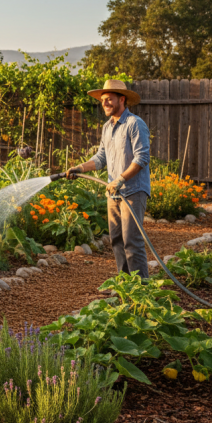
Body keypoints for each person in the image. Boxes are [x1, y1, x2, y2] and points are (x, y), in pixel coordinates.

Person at [66, 79, 151, 278]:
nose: (104, 103)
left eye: (109, 99)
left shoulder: (134, 124)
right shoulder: (107, 127)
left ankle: (141, 287)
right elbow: (101, 158)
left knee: (132, 241)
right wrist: (80, 168)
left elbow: (142, 158)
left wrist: (121, 179)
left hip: (133, 191)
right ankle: (124, 283)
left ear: (122, 100)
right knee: (117, 240)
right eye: (103, 99)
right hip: (113, 193)